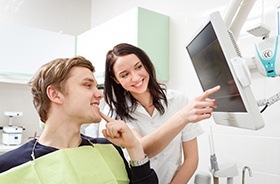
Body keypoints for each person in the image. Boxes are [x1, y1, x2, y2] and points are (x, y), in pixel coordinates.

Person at [0, 56, 158, 184]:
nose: (99, 94)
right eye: (88, 85)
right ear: (55, 95)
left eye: (97, 87)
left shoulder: (109, 149)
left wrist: (135, 148)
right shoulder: (8, 167)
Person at [103, 43, 221, 184]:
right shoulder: (114, 112)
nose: (135, 78)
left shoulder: (178, 100)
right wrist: (182, 117)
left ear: (146, 64)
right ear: (116, 80)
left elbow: (191, 159)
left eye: (138, 67)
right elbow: (141, 150)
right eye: (125, 75)